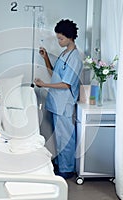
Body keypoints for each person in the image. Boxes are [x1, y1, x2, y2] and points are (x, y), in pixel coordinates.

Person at [34, 19, 83, 179]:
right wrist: (46, 57)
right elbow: (55, 74)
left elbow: (66, 84)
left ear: (70, 37)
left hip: (65, 104)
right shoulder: (64, 53)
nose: (59, 41)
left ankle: (67, 169)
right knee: (60, 137)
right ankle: (62, 165)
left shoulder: (75, 57)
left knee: (66, 138)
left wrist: (44, 84)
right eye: (58, 38)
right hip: (57, 102)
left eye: (61, 38)